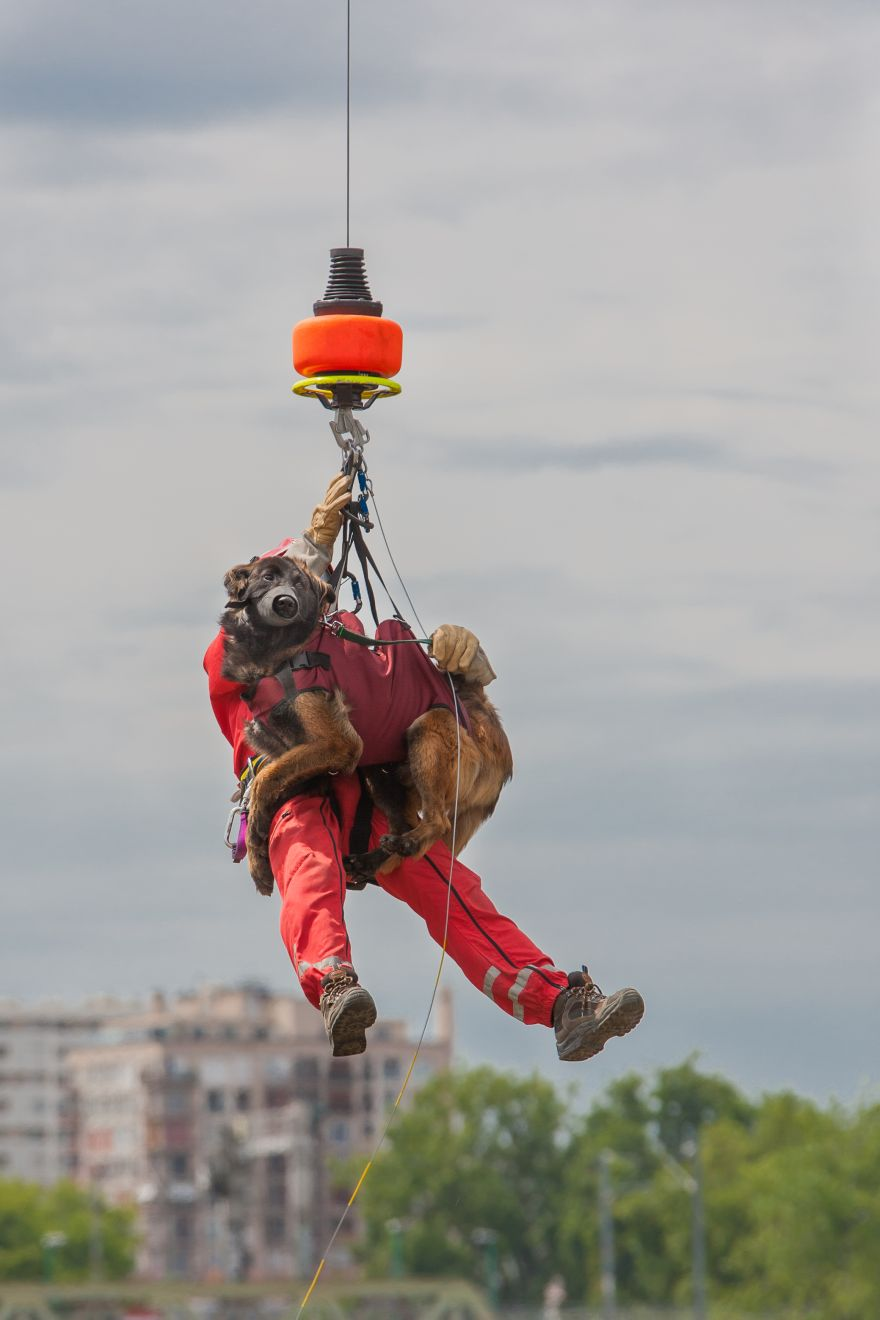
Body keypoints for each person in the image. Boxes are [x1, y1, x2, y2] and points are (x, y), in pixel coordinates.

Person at [204, 472, 644, 1060]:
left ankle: (560, 1004)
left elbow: (401, 697)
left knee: (455, 893)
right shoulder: (233, 655)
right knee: (310, 870)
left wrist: (464, 673)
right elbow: (245, 643)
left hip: (371, 795)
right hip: (292, 794)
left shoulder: (339, 648)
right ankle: (334, 983)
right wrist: (313, 544)